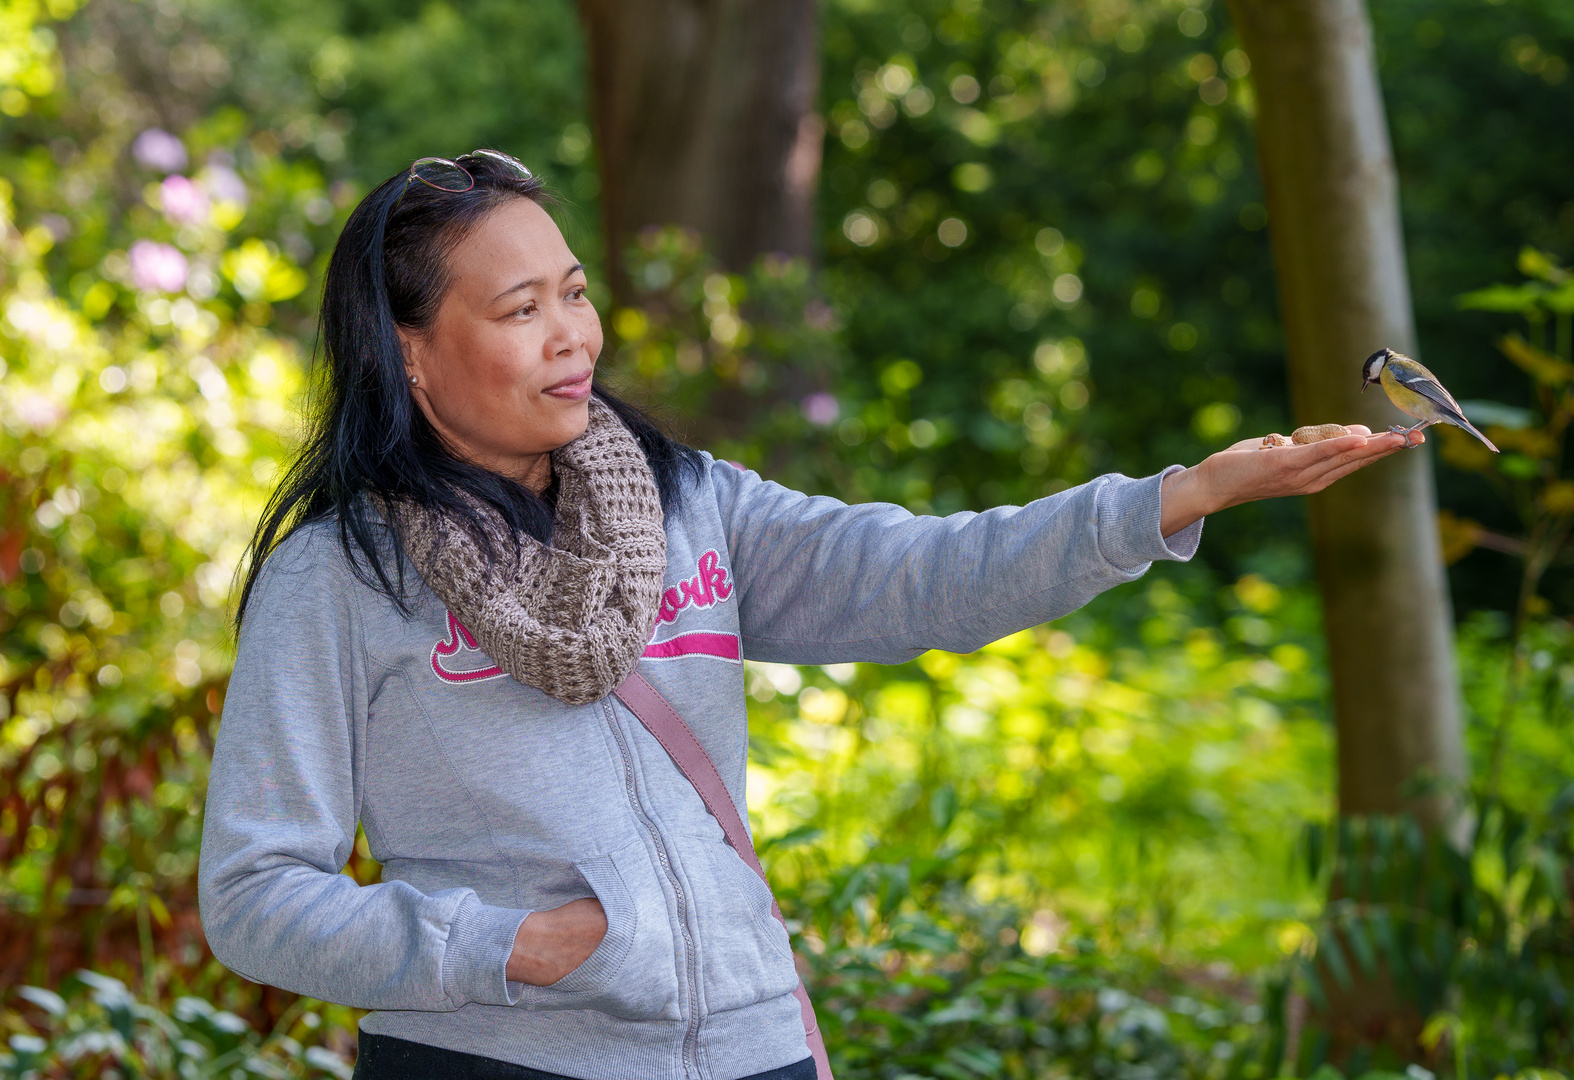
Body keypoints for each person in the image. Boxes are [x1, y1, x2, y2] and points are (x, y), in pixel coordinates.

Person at [197, 149, 1413, 1080]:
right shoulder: (340, 580)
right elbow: (255, 896)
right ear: (409, 353)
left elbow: (923, 572)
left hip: (751, 1044)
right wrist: (504, 949)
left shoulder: (690, 507)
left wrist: (1171, 500)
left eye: (573, 293)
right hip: (499, 1058)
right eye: (521, 312)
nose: (574, 337)